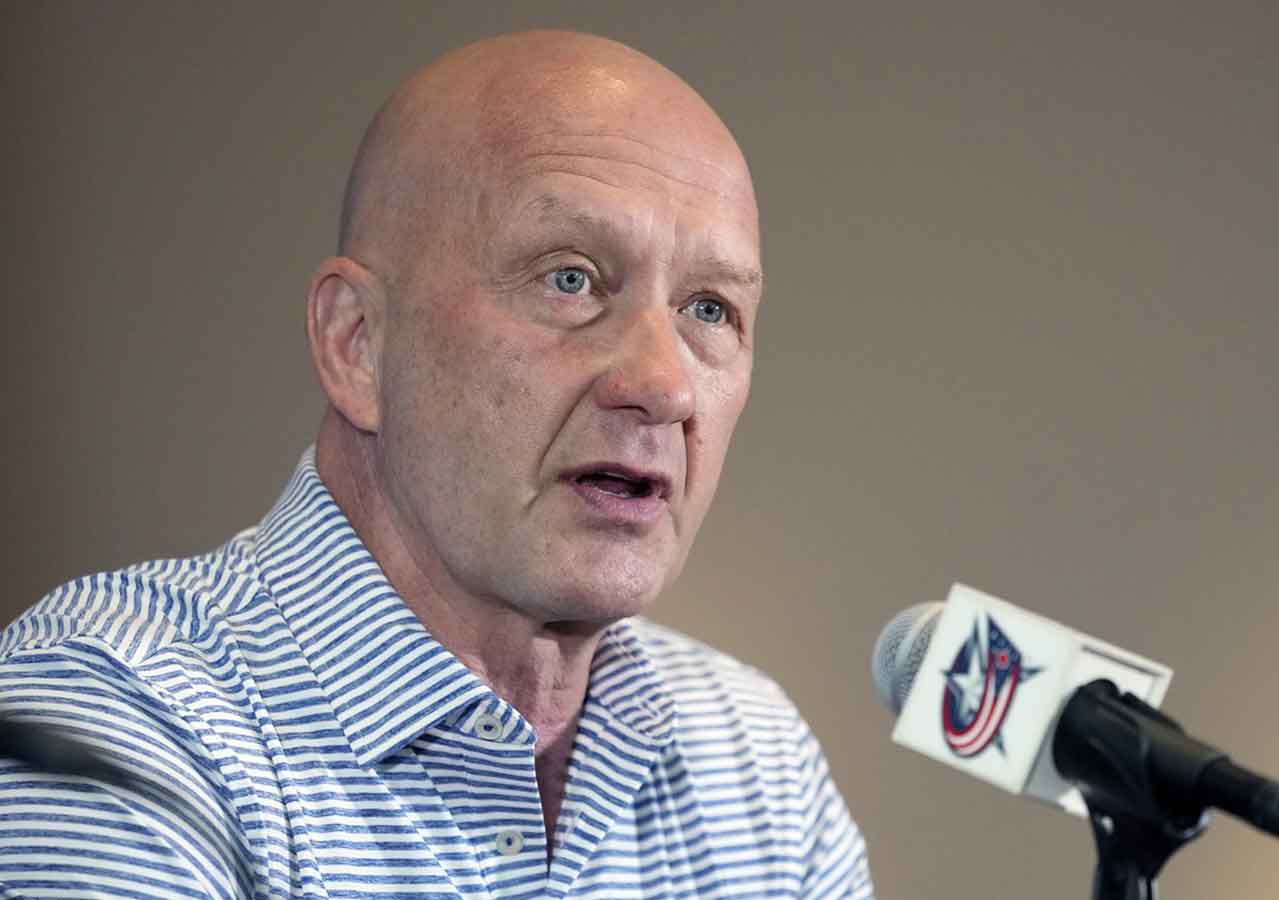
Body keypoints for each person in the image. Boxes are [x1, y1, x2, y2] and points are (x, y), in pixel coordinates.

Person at [0, 30, 873, 898]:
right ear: (358, 344)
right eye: (571, 279)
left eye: (710, 309)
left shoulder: (759, 772)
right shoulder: (115, 727)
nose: (663, 384)